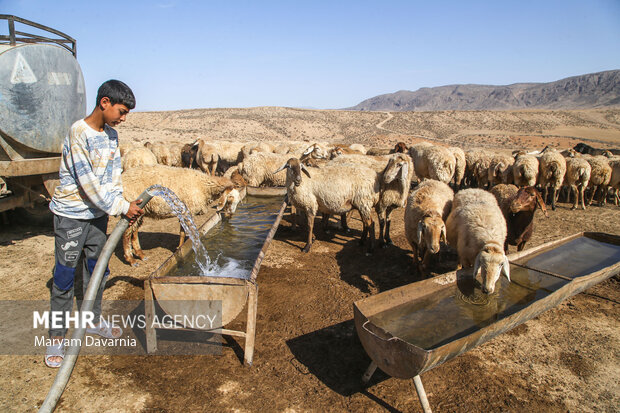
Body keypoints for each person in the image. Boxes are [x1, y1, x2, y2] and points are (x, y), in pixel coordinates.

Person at [44, 80, 144, 368]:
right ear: (104, 103)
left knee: (97, 270)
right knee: (64, 278)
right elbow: (87, 182)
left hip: (97, 217)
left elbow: (113, 178)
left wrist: (118, 204)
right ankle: (56, 338)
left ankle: (92, 321)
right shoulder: (79, 133)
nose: (123, 119)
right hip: (71, 217)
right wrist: (121, 207)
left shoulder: (111, 136)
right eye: (121, 111)